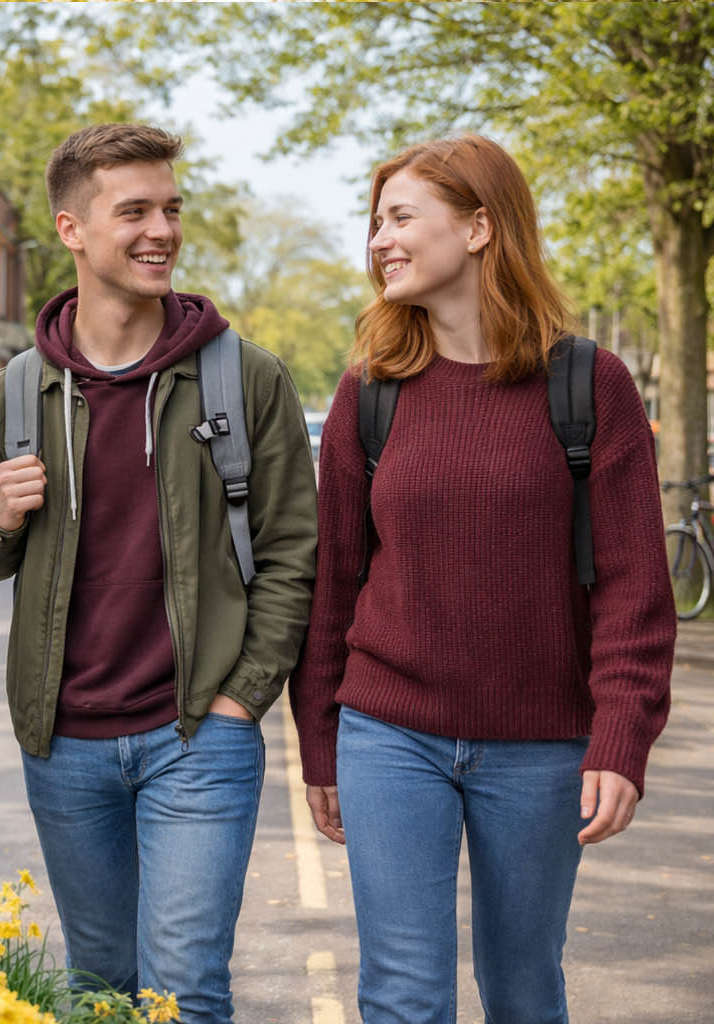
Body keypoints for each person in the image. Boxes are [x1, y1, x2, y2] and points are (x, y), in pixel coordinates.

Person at [290, 134, 674, 1023]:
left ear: (478, 228)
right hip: (390, 735)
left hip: (541, 747)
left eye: (400, 218)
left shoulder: (591, 385)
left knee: (524, 987)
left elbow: (634, 593)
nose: (379, 239)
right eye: (374, 222)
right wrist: (321, 741)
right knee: (402, 993)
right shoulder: (369, 393)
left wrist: (623, 736)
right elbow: (333, 586)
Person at [0, 124, 318, 1021]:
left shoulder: (246, 379)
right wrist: (0, 515)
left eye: (171, 209)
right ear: (72, 229)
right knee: (100, 988)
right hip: (65, 742)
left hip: (198, 732)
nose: (162, 229)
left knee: (187, 989)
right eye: (135, 211)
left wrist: (242, 698)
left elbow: (292, 552)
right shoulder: (8, 397)